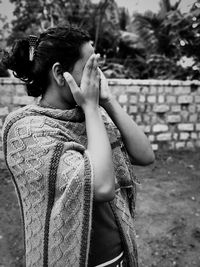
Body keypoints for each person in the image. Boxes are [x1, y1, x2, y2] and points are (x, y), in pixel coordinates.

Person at [1, 24, 155, 267]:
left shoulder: (91, 115)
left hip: (117, 253)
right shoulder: (27, 129)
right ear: (60, 73)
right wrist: (92, 107)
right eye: (90, 68)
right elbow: (102, 187)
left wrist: (107, 101)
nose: (98, 77)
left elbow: (145, 155)